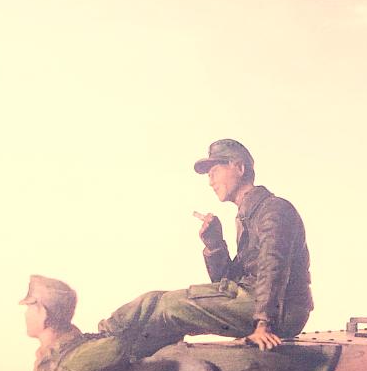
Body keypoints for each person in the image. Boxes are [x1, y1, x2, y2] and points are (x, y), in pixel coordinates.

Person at [100, 138, 313, 355]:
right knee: (154, 300)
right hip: (258, 301)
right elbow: (230, 281)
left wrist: (264, 324)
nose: (210, 182)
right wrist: (215, 245)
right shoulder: (249, 215)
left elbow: (273, 267)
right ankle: (112, 343)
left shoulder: (274, 210)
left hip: (283, 310)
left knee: (170, 305)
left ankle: (103, 343)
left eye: (214, 172)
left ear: (239, 168)